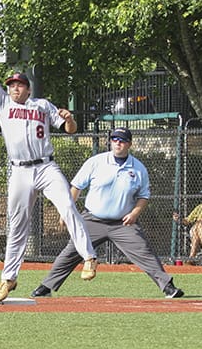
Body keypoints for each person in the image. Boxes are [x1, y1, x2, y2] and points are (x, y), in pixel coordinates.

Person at [0, 2, 97, 302]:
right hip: (20, 170)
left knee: (68, 206)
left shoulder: (42, 105)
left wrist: (70, 119)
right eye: (11, 85)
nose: (14, 89)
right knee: (18, 227)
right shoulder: (3, 104)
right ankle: (7, 279)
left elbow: (70, 131)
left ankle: (89, 257)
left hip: (46, 167)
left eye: (19, 85)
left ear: (28, 88)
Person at [31, 128, 184, 299]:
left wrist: (135, 213)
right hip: (92, 220)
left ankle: (168, 287)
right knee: (72, 251)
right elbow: (76, 187)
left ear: (130, 144)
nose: (118, 142)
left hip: (123, 223)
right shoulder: (96, 162)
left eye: (123, 140)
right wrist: (67, 212)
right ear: (110, 142)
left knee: (144, 251)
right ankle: (46, 287)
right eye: (115, 139)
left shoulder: (138, 168)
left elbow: (144, 196)